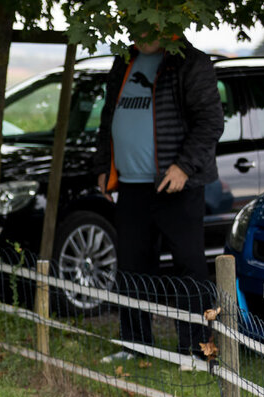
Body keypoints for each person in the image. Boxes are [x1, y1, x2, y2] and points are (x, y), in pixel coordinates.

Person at [94, 28, 224, 370]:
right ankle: (135, 344)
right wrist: (103, 167)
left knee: (188, 269)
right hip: (131, 185)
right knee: (131, 268)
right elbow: (108, 117)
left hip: (177, 185)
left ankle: (195, 351)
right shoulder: (125, 61)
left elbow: (211, 122)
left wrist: (183, 167)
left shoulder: (189, 62)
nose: (136, 26)